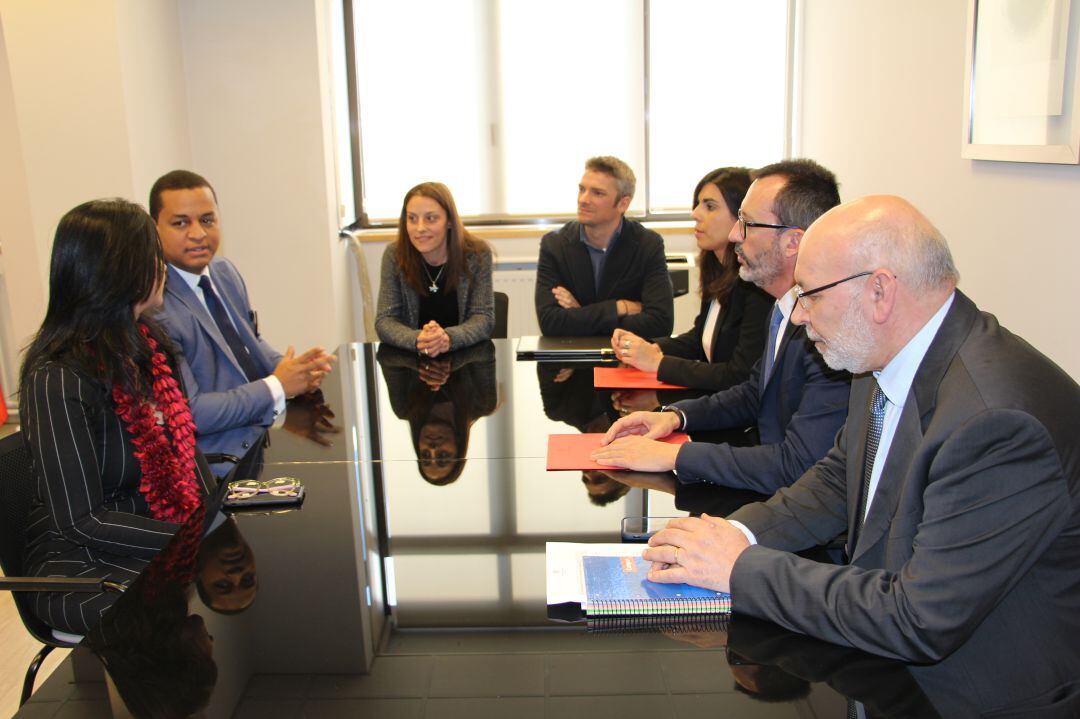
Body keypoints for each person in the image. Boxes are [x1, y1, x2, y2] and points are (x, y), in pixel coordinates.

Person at [643, 196, 1080, 706]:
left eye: (809, 294)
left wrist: (739, 566)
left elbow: (920, 619)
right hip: (888, 657)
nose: (799, 316)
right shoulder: (882, 353)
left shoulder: (997, 425)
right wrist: (735, 533)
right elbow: (839, 478)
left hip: (976, 692)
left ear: (879, 291)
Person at [592, 159, 850, 496]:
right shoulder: (784, 306)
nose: (733, 235)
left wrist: (676, 454)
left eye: (747, 224)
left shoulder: (831, 332)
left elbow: (795, 465)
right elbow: (751, 392)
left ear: (793, 242)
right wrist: (673, 417)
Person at [19, 198, 216, 635]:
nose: (162, 266)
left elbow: (187, 453)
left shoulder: (150, 346)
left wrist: (216, 517)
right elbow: (78, 520)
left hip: (157, 540)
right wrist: (185, 539)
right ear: (119, 271)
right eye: (151, 257)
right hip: (86, 565)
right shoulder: (58, 377)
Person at [151, 170, 333, 471]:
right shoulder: (155, 304)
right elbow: (191, 414)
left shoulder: (224, 271)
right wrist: (278, 384)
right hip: (215, 460)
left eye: (207, 220)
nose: (198, 233)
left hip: (262, 431)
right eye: (181, 222)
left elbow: (249, 341)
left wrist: (294, 370)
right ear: (154, 228)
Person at [611, 167, 773, 392]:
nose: (695, 213)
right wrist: (647, 347)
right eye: (697, 204)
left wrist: (658, 363)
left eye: (710, 206)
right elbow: (699, 340)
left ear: (742, 217)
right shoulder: (717, 270)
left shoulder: (757, 285)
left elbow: (738, 375)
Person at [535, 156, 674, 337]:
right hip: (572, 361)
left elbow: (660, 323)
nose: (583, 199)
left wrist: (581, 312)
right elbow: (550, 323)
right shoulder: (554, 244)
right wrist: (620, 307)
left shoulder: (647, 244)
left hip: (627, 359)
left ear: (623, 203)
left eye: (597, 193)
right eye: (582, 189)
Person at [375, 182, 494, 356]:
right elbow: (385, 320)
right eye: (412, 218)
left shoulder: (477, 254)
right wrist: (418, 339)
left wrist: (448, 338)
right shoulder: (394, 255)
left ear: (449, 221)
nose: (420, 228)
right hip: (410, 364)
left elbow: (483, 318)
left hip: (465, 362)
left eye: (430, 218)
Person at [377, 341, 498, 484]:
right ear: (459, 446)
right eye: (443, 455)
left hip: (411, 327)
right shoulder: (482, 404)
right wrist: (448, 364)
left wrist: (423, 366)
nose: (432, 448)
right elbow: (485, 350)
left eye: (426, 455)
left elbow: (385, 354)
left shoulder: (404, 407)